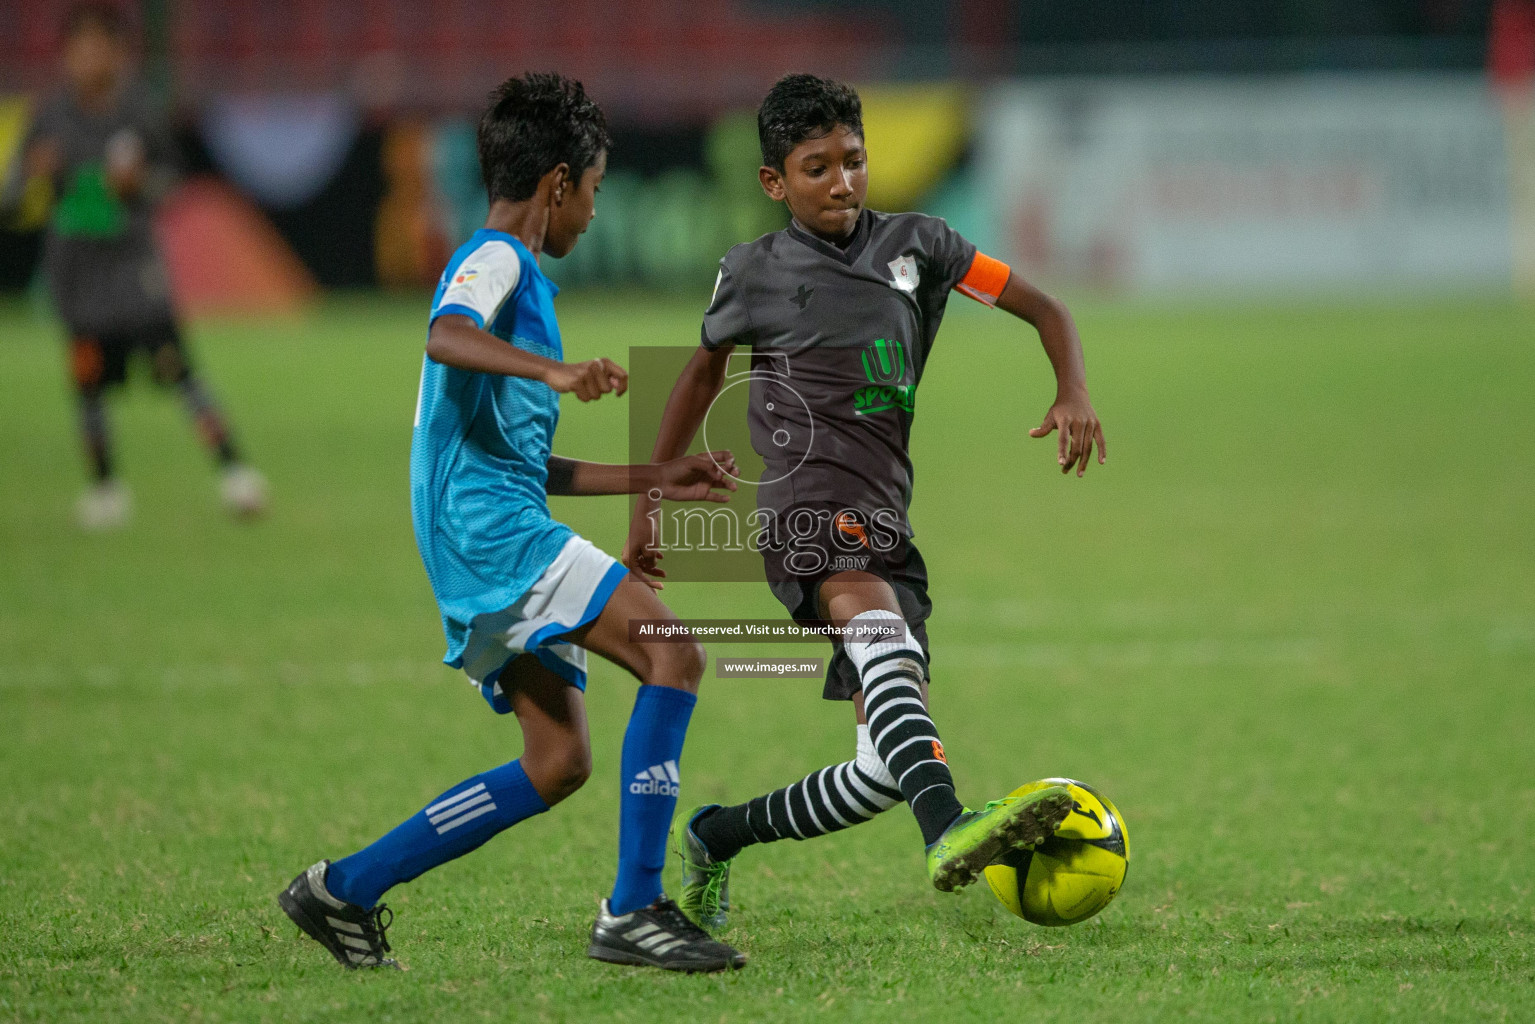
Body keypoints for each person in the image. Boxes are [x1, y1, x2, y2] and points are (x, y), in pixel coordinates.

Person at [277, 73, 747, 974]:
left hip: (487, 523)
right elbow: (444, 334)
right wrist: (551, 373)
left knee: (557, 758)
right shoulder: (497, 259)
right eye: (597, 192)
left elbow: (526, 465)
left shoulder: (516, 281)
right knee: (672, 652)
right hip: (489, 534)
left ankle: (345, 887)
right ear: (559, 182)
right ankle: (636, 910)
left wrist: (660, 474)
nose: (597, 215)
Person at [622, 73, 1107, 930]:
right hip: (803, 503)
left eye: (853, 160)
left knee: (881, 765)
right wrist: (647, 503)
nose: (841, 181)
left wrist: (1071, 388)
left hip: (886, 507)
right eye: (816, 168)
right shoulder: (751, 272)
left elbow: (1044, 307)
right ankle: (948, 825)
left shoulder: (926, 247)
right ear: (774, 183)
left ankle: (714, 835)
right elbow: (696, 377)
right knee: (876, 630)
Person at [0, 3, 265, 529]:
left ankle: (235, 473)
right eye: (79, 47)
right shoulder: (48, 118)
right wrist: (31, 176)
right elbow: (9, 204)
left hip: (132, 271)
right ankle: (104, 489)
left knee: (179, 371)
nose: (88, 57)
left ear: (118, 55)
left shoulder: (138, 113)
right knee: (87, 384)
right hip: (76, 275)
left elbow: (173, 182)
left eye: (99, 46)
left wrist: (139, 183)